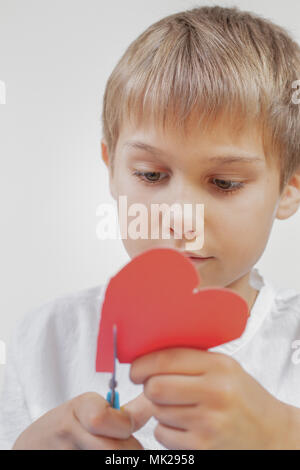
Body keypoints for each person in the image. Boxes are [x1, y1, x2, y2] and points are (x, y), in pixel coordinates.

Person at [1, 5, 300, 450]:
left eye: (225, 183)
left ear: (288, 190)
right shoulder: (39, 343)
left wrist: (283, 435)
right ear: (111, 169)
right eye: (151, 175)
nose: (180, 216)